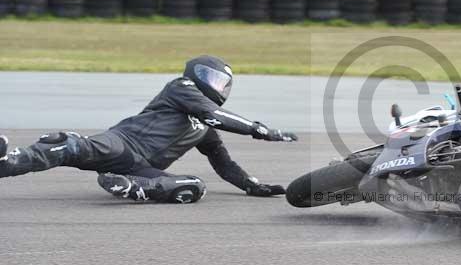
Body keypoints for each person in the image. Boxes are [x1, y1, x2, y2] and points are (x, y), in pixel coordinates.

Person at [0, 55, 297, 204]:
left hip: (142, 168)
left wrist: (251, 186)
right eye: (213, 79)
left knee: (194, 187)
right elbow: (214, 113)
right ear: (196, 74)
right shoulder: (182, 87)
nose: (217, 88)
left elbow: (224, 163)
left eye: (222, 84)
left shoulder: (206, 128)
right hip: (122, 144)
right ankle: (7, 163)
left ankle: (133, 187)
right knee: (67, 143)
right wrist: (261, 130)